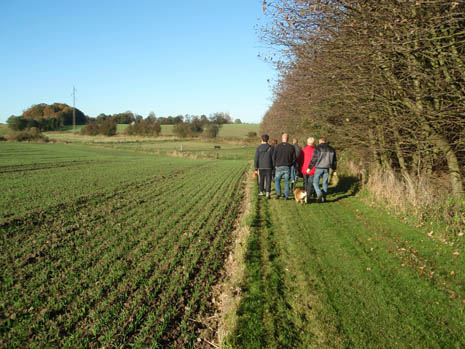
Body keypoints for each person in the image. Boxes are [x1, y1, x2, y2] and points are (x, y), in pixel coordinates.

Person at [309, 137, 337, 202]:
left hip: (319, 168)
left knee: (315, 182)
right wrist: (334, 169)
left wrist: (310, 167)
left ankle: (319, 193)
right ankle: (324, 198)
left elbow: (314, 159)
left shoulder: (318, 148)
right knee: (325, 183)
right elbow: (334, 160)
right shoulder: (331, 149)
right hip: (327, 168)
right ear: (325, 141)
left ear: (320, 141)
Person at [272, 133, 296, 200]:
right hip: (287, 166)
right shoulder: (291, 147)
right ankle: (286, 196)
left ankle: (278, 193)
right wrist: (290, 164)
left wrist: (275, 164)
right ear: (288, 139)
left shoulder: (277, 146)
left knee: (277, 180)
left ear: (282, 138)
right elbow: (294, 158)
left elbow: (274, 157)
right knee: (287, 181)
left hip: (278, 166)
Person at [254, 134, 273, 199]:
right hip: (269, 166)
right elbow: (273, 158)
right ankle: (268, 193)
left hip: (261, 166)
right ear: (268, 139)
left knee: (261, 179)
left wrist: (256, 168)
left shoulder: (258, 147)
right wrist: (273, 166)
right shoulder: (271, 147)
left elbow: (256, 158)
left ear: (262, 139)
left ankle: (261, 192)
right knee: (268, 180)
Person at [298, 137, 316, 202]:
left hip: (304, 168)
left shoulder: (303, 150)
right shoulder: (316, 150)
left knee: (305, 182)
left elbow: (300, 159)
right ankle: (309, 194)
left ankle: (305, 195)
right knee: (310, 182)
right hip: (313, 169)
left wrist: (300, 166)